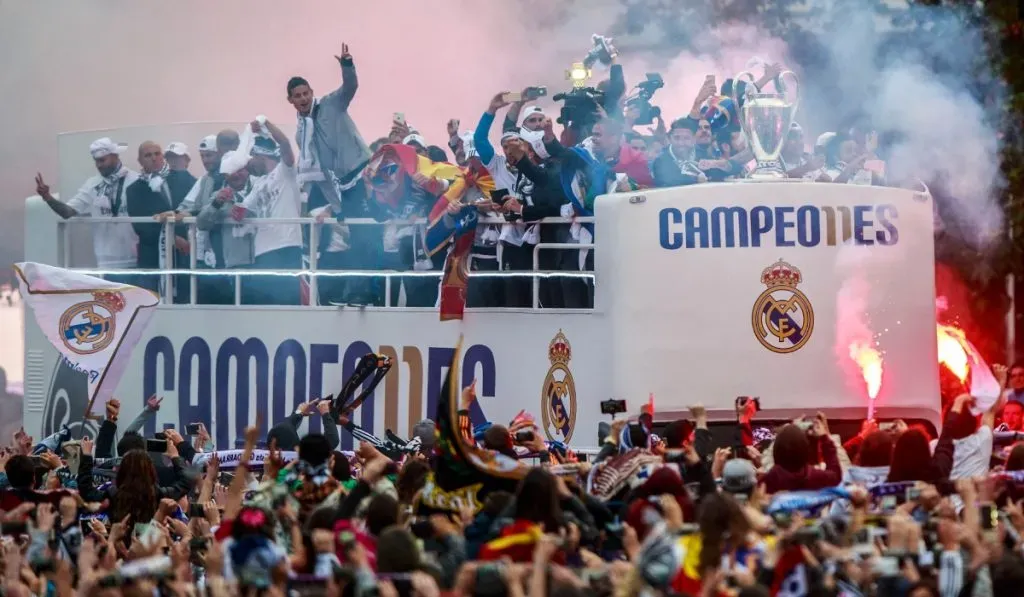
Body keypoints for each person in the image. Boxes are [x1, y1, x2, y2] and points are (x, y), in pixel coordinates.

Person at [288, 43, 378, 305]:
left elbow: (350, 88)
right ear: (290, 100)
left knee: (365, 236)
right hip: (342, 187)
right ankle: (353, 293)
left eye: (306, 93)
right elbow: (320, 172)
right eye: (298, 95)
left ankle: (364, 293)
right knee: (352, 238)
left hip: (362, 174)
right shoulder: (300, 133)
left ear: (312, 93)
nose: (303, 98)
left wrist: (347, 65)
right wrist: (335, 203)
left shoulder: (330, 104)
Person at [35, 138, 139, 283]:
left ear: (115, 156)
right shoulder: (92, 185)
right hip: (107, 261)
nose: (99, 165)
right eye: (96, 161)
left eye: (103, 160)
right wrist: (47, 197)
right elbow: (67, 212)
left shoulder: (136, 180)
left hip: (137, 258)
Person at [234, 120, 304, 305]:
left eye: (251, 158)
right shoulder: (258, 184)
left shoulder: (285, 172)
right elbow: (242, 212)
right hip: (262, 251)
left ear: (260, 155)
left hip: (287, 246)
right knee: (265, 305)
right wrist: (227, 203)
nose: (248, 164)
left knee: (287, 304)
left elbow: (285, 144)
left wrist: (266, 123)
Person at [126, 141, 196, 298]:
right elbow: (141, 227)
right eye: (148, 155)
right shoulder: (134, 190)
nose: (154, 158)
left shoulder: (183, 180)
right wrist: (172, 238)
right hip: (151, 258)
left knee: (186, 301)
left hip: (184, 256)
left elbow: (194, 207)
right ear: (140, 161)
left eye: (157, 154)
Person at [651, 118, 705, 187]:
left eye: (686, 138)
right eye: (677, 138)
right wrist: (697, 180)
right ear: (670, 139)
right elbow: (668, 183)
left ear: (693, 139)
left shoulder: (704, 156)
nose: (681, 143)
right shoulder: (660, 161)